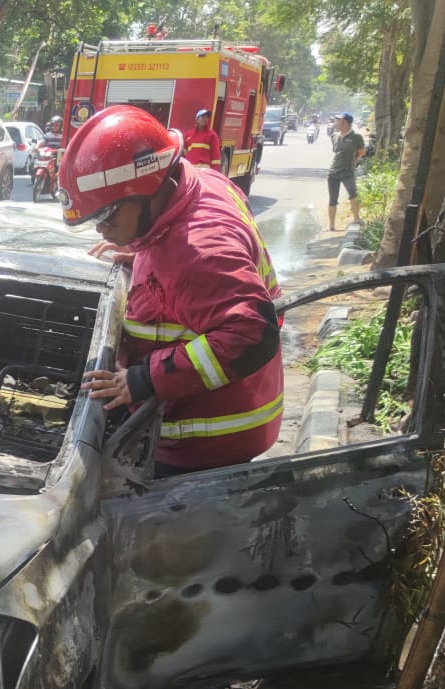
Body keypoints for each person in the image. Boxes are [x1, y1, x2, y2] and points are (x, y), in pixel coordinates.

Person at [57, 105, 283, 474]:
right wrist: (142, 250)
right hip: (236, 411)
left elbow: (253, 334)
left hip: (209, 440)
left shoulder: (196, 251)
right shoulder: (197, 184)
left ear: (145, 191)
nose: (101, 230)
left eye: (106, 216)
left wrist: (144, 379)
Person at [327, 111, 367, 231]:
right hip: (333, 171)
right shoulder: (334, 136)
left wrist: (355, 161)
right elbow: (336, 152)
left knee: (353, 193)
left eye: (338, 121)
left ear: (345, 123)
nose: (336, 123)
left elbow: (362, 151)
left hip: (347, 171)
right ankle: (332, 225)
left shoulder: (356, 137)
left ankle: (356, 218)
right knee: (332, 198)